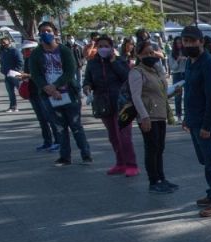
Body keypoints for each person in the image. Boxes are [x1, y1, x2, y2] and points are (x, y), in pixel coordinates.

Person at [181, 25, 211, 217]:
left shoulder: (208, 62)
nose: (189, 44)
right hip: (194, 118)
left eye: (192, 40)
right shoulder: (190, 62)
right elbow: (190, 92)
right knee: (206, 160)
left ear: (201, 41)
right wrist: (186, 117)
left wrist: (208, 125)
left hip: (206, 119)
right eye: (185, 41)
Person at [28, 21, 92, 167]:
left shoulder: (64, 50)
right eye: (42, 31)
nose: (46, 34)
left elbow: (70, 71)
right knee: (59, 128)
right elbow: (35, 74)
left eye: (48, 31)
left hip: (69, 94)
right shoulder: (36, 54)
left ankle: (86, 155)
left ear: (55, 33)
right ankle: (65, 157)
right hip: (48, 96)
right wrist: (48, 89)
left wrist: (56, 86)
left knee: (76, 126)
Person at [83, 35, 138, 177]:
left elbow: (127, 77)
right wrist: (87, 86)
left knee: (124, 136)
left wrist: (114, 62)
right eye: (100, 46)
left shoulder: (120, 61)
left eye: (106, 46)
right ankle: (120, 163)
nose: (102, 49)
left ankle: (131, 164)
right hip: (104, 104)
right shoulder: (92, 63)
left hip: (122, 103)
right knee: (113, 136)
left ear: (111, 47)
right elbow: (88, 79)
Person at [130, 40, 177, 194]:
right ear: (138, 55)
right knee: (151, 148)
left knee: (159, 148)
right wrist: (144, 117)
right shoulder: (136, 72)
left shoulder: (156, 70)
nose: (150, 56)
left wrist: (173, 92)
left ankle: (161, 178)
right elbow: (136, 97)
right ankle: (153, 180)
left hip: (160, 114)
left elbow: (161, 92)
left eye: (152, 52)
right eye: (146, 53)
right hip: (148, 116)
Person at [21, 39, 60, 152]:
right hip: (32, 92)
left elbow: (44, 74)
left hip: (43, 92)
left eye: (29, 49)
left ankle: (58, 141)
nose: (27, 51)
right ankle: (47, 142)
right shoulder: (27, 60)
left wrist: (28, 75)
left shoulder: (42, 58)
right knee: (42, 119)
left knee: (50, 118)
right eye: (25, 50)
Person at [0, 35, 23, 112]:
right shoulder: (3, 52)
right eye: (1, 42)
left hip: (15, 75)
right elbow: (2, 62)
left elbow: (20, 62)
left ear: (9, 41)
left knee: (23, 90)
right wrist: (2, 70)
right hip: (7, 75)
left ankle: (37, 104)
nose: (2, 43)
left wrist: (15, 71)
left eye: (4, 42)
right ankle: (13, 107)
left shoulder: (15, 51)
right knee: (10, 92)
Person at [168, 37, 187, 120]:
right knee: (178, 96)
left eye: (180, 43)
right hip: (177, 75)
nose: (179, 45)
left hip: (186, 74)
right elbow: (173, 68)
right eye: (177, 43)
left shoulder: (186, 52)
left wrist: (186, 59)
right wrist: (178, 60)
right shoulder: (172, 54)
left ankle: (188, 113)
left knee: (188, 95)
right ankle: (178, 115)